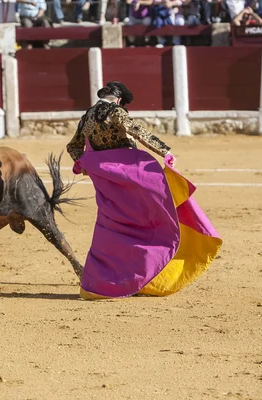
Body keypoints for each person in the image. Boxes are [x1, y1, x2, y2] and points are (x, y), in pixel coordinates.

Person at [67, 81, 222, 300]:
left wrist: (81, 163)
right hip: (131, 174)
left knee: (111, 225)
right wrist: (164, 151)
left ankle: (102, 281)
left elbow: (73, 146)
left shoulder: (86, 117)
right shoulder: (116, 111)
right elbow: (137, 131)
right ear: (119, 99)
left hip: (105, 180)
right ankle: (146, 275)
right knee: (150, 214)